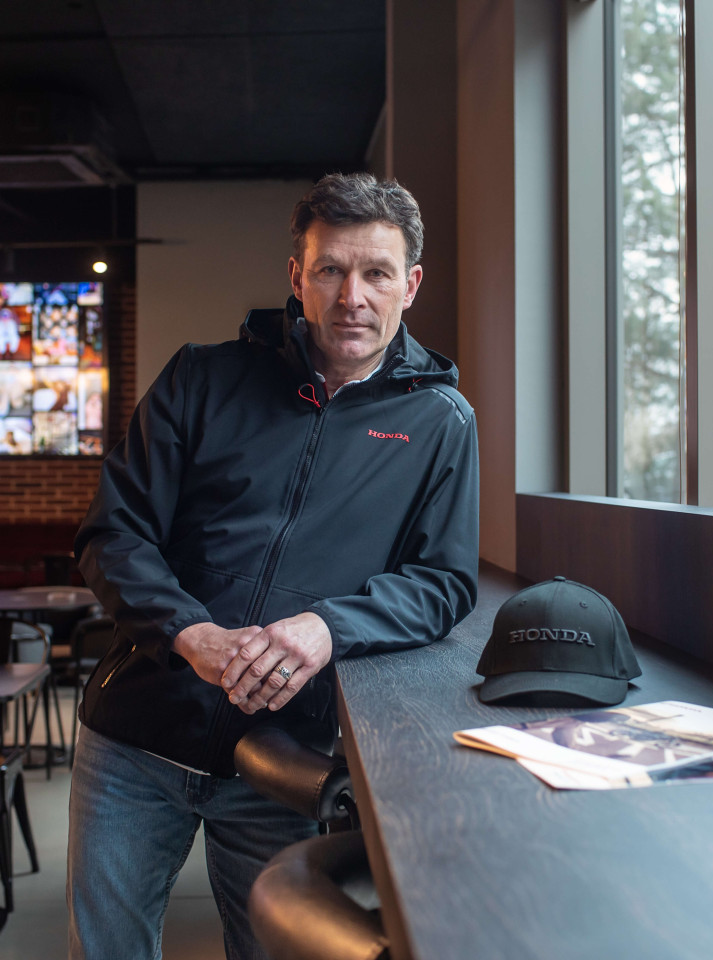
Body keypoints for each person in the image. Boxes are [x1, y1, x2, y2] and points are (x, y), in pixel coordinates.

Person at [67, 172, 479, 960]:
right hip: (133, 738)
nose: (351, 295)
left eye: (376, 273)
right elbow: (112, 533)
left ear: (411, 285)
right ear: (298, 276)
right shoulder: (202, 377)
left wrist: (325, 628)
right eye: (330, 269)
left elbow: (444, 580)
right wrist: (190, 633)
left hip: (281, 760)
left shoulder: (440, 423)